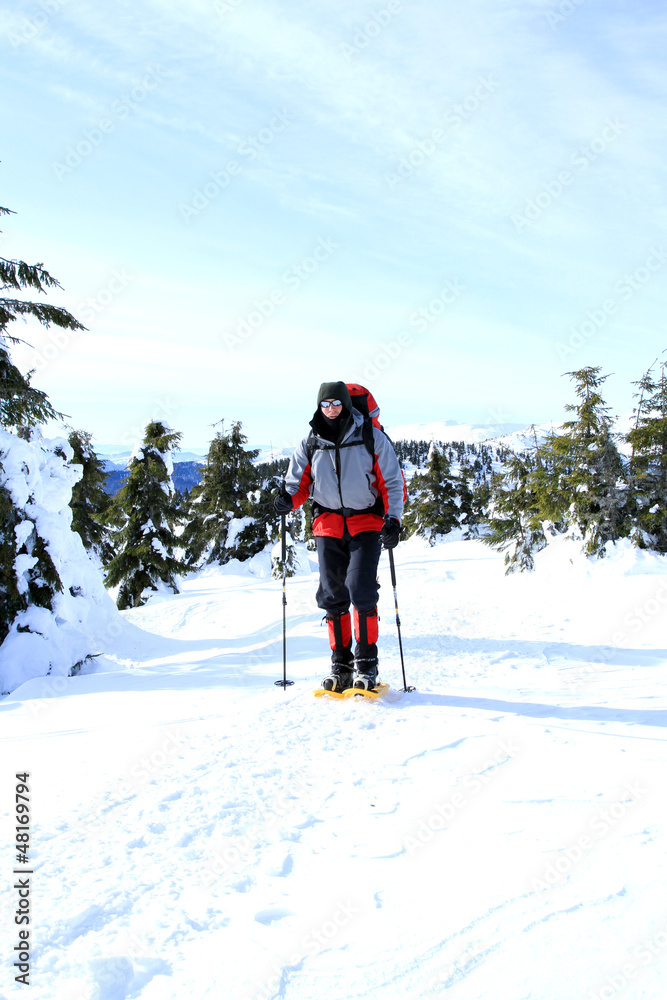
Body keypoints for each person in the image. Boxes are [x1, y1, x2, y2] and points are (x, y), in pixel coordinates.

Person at [273, 381, 404, 691]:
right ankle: (340, 664)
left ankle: (366, 664)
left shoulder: (371, 437)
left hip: (367, 524)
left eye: (336, 403)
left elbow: (392, 483)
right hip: (328, 525)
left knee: (360, 589)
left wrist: (393, 519)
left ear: (346, 403)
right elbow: (299, 483)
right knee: (333, 596)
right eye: (325, 404)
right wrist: (287, 500)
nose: (330, 409)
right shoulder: (311, 442)